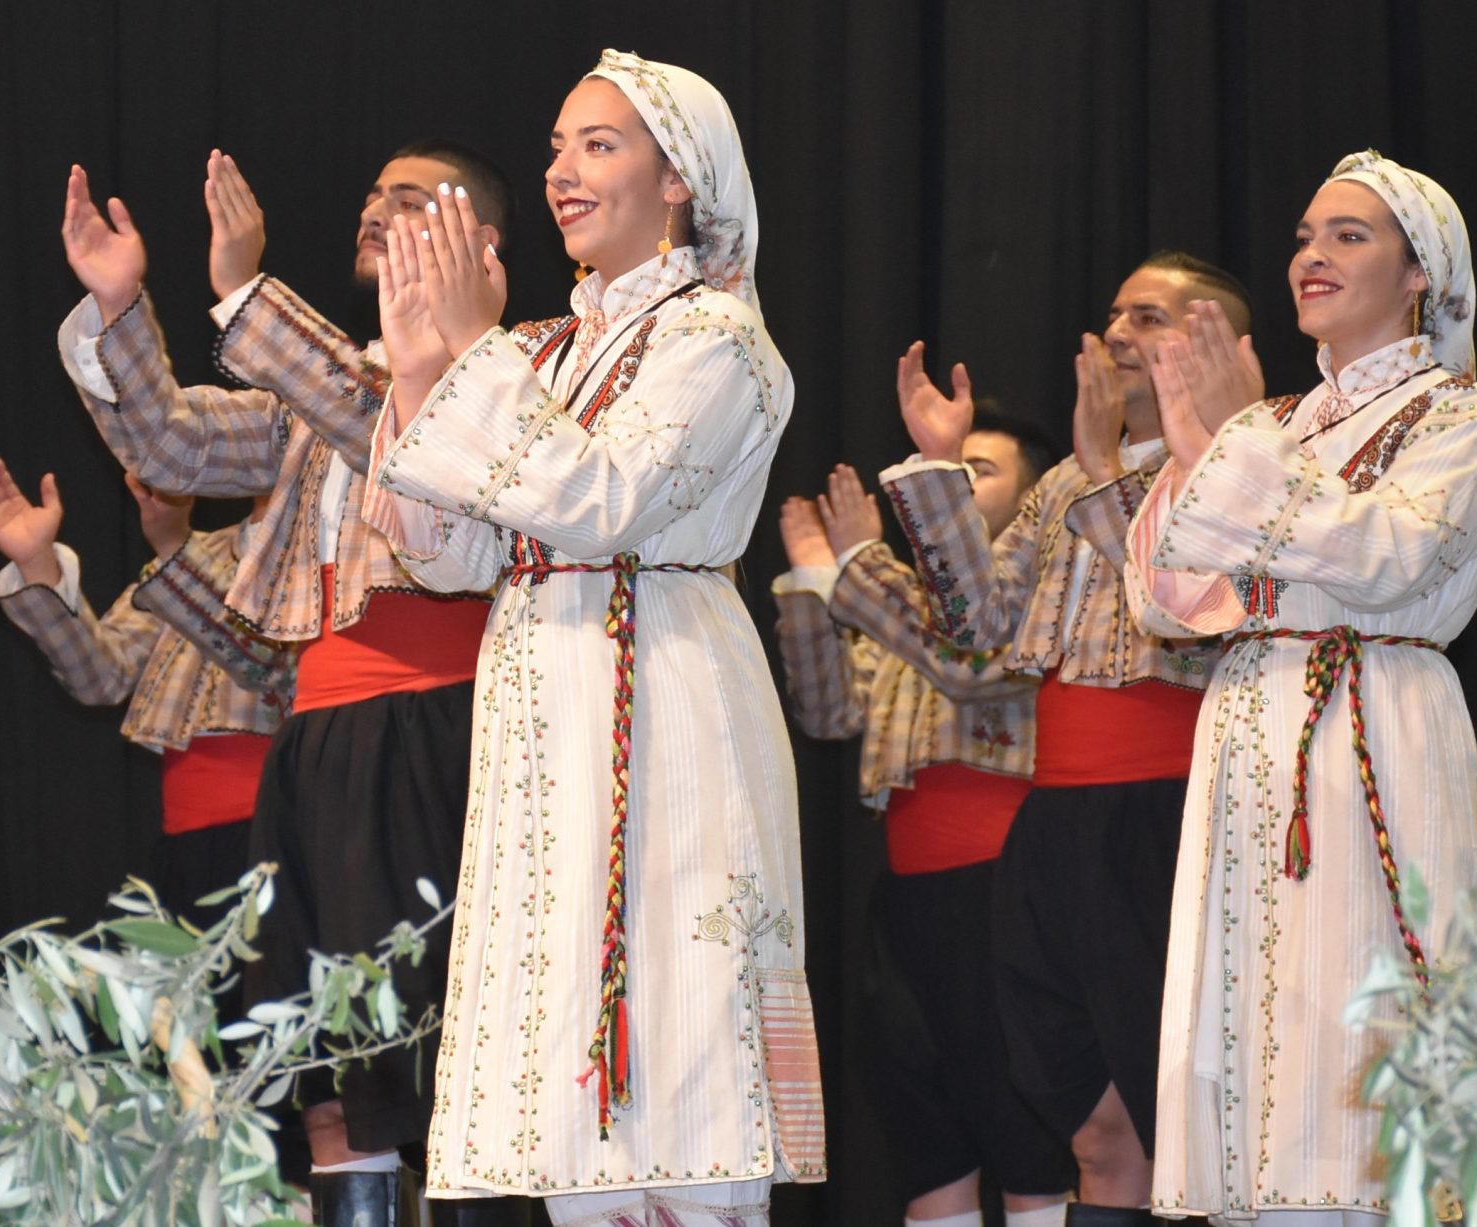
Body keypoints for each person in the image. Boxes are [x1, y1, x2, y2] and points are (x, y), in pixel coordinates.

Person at [361, 49, 821, 1226]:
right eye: (559, 145)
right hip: (542, 695)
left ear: (679, 180)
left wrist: (469, 357)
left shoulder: (718, 340)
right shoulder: (544, 350)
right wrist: (421, 375)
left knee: (683, 1036)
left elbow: (606, 501)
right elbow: (445, 557)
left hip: (667, 688)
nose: (563, 171)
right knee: (571, 1071)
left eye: (599, 145)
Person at [58, 143, 527, 1224]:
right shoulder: (312, 397)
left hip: (438, 726)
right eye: (370, 198)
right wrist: (123, 308)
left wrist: (241, 291)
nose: (375, 213)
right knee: (328, 1066)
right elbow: (171, 445)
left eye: (408, 203)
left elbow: (385, 424)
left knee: (447, 1064)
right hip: (317, 742)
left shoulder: (505, 376)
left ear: (480, 245)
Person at [1122, 150, 1477, 1223]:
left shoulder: (1461, 419)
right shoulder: (1287, 420)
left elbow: (1384, 557)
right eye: (1304, 235)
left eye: (1348, 235)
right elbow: (1169, 604)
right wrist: (1192, 446)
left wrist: (1234, 434)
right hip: (1250, 720)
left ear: (1418, 278)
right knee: (1253, 1019)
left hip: (1369, 725)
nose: (1311, 255)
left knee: (1348, 1012)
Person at [878, 254, 1248, 1224]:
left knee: (1184, 1116)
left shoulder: (1243, 467)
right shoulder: (1047, 498)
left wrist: (1100, 475)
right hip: (1055, 828)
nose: (1121, 331)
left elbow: (1197, 611)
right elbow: (976, 635)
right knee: (1094, 1127)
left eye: (1153, 316)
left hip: (1168, 816)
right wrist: (941, 473)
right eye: (1116, 312)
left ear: (1216, 342)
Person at [773, 418, 1075, 1227]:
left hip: (1004, 890)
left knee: (1022, 1128)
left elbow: (976, 670)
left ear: (1034, 496)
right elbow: (830, 710)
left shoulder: (1040, 590)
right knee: (924, 1128)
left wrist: (854, 575)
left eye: (979, 471)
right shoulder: (893, 599)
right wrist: (811, 583)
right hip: (908, 902)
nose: (959, 487)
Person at [0, 458, 293, 919]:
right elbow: (100, 678)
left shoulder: (324, 560)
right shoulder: (202, 554)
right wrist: (37, 562)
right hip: (187, 843)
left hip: (286, 831)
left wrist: (175, 547)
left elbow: (276, 666)